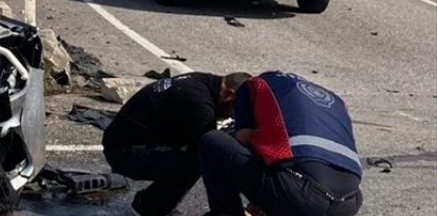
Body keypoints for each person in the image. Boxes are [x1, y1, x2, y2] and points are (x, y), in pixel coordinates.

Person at [198, 71, 363, 216]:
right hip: (349, 202)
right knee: (286, 168)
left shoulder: (255, 85)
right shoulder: (335, 101)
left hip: (302, 197)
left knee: (214, 141)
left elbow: (244, 141)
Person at [103, 72, 252, 216]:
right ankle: (147, 208)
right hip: (123, 151)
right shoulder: (200, 105)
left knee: (197, 151)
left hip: (133, 138)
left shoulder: (204, 82)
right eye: (235, 110)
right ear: (228, 94)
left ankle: (153, 203)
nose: (233, 116)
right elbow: (211, 153)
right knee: (197, 162)